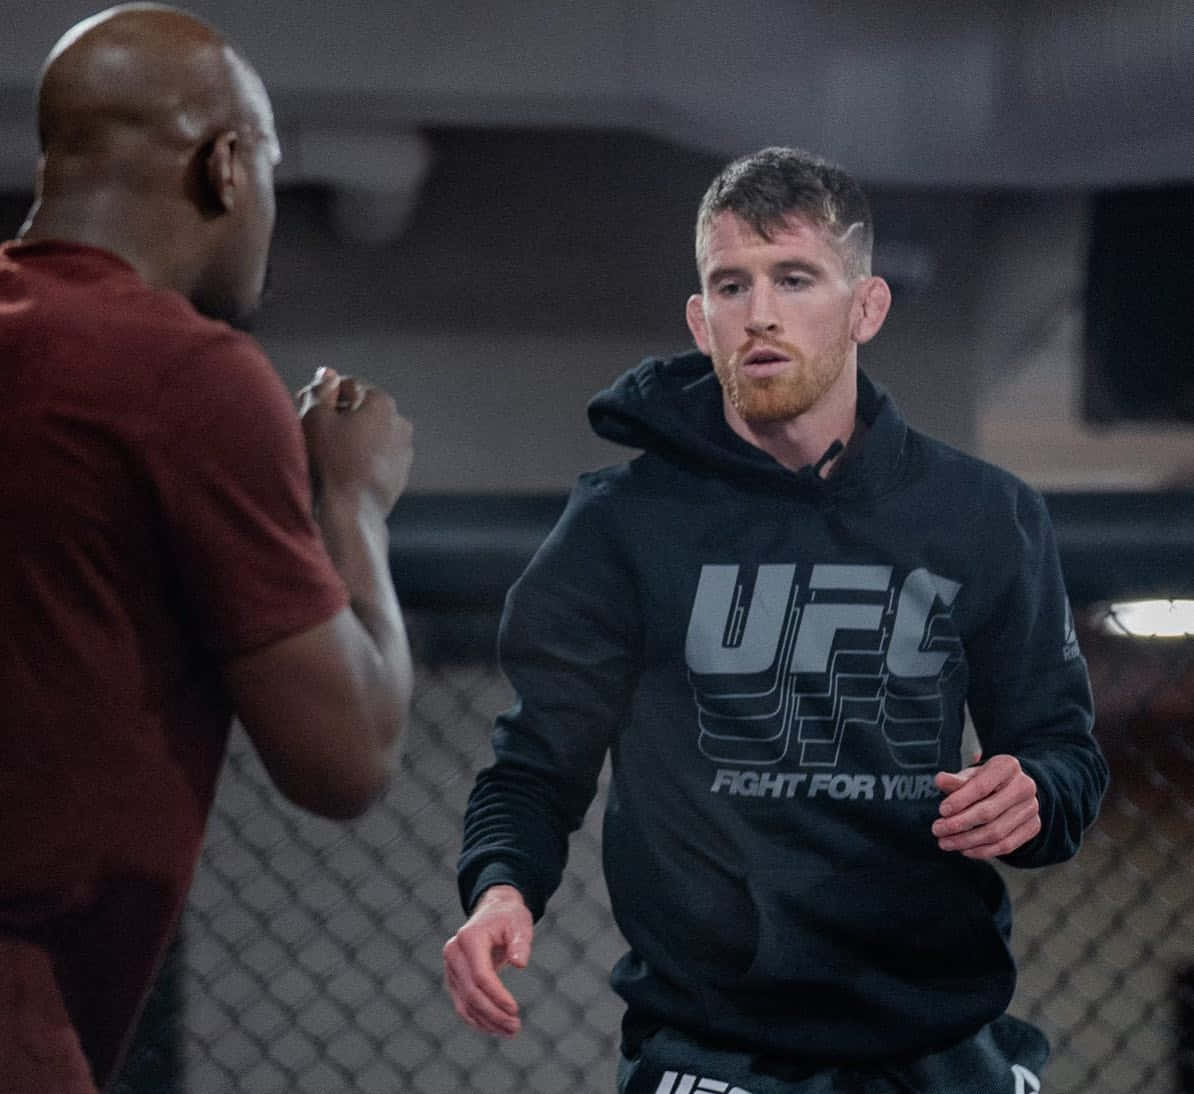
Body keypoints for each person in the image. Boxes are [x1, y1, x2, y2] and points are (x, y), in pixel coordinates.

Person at [444, 147, 1109, 1093]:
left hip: (942, 1042)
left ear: (865, 307)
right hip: (721, 1049)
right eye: (730, 284)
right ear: (699, 318)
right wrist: (500, 888)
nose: (759, 312)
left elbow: (1063, 753)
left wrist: (1035, 792)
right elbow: (534, 764)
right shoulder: (621, 524)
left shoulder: (984, 515)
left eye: (794, 278)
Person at [0, 6, 414, 1091]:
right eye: (270, 166)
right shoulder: (185, 377)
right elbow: (347, 758)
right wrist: (353, 501)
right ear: (227, 167)